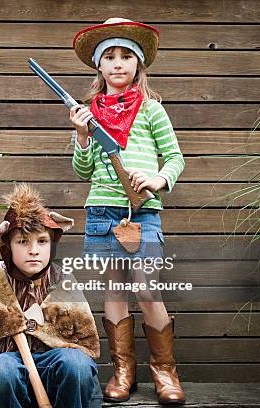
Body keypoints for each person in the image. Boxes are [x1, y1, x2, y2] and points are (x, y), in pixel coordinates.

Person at [70, 18, 186, 405]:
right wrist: (84, 136)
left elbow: (174, 158)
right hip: (102, 213)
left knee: (149, 290)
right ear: (98, 66)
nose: (118, 64)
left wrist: (155, 181)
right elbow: (82, 170)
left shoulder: (151, 110)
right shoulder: (88, 113)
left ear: (138, 64)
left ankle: (165, 373)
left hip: (143, 213)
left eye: (126, 56)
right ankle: (123, 371)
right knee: (114, 291)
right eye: (110, 57)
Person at [0, 184, 102, 408]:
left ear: (52, 244)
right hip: (11, 370)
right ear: (6, 245)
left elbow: (81, 345)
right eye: (22, 241)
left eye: (42, 241)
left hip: (54, 372)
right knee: (1, 369)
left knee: (75, 363)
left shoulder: (62, 282)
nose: (34, 250)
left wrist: (94, 402)